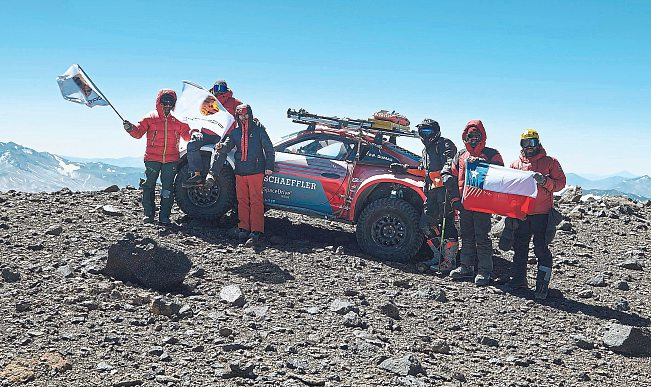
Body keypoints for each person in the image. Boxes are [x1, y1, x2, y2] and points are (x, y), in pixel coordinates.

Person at [507, 129, 566, 299]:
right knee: (519, 248)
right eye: (526, 143)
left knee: (541, 249)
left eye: (532, 143)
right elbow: (509, 189)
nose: (529, 147)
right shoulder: (515, 165)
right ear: (521, 145)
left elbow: (561, 183)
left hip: (542, 214)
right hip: (522, 214)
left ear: (538, 143)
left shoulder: (550, 162)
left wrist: (545, 181)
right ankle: (518, 282)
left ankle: (541, 286)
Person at [444, 120, 504, 286]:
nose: (474, 139)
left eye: (477, 136)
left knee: (482, 238)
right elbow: (451, 174)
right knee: (466, 236)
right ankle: (466, 267)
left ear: (483, 136)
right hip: (464, 204)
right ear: (465, 136)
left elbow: (501, 178)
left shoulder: (492, 154)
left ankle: (485, 271)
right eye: (470, 136)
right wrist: (455, 199)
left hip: (483, 205)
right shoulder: (461, 155)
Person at [207, 104, 275, 246]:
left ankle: (256, 231)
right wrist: (221, 147)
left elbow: (269, 149)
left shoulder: (259, 130)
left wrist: (269, 166)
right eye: (240, 115)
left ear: (250, 114)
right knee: (242, 200)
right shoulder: (235, 133)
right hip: (240, 171)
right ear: (237, 117)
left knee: (256, 201)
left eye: (246, 115)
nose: (243, 118)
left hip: (256, 171)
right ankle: (243, 228)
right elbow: (228, 146)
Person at [123, 89, 191, 225]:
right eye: (164, 101)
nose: (167, 104)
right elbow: (138, 133)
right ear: (159, 101)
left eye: (170, 101)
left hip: (171, 160)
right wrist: (130, 128)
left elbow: (187, 135)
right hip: (152, 159)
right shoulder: (150, 118)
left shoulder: (178, 120)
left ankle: (164, 217)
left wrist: (195, 133)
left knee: (167, 188)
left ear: (174, 104)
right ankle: (149, 214)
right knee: (149, 186)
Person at [413, 119, 458, 271]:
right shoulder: (426, 150)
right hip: (432, 193)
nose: (424, 135)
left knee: (448, 224)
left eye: (427, 132)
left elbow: (450, 160)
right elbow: (422, 169)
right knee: (425, 224)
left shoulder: (444, 144)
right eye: (421, 132)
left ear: (435, 132)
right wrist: (403, 168)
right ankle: (439, 256)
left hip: (446, 190)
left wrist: (447, 173)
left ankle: (450, 261)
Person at [183, 80, 242, 187]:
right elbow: (197, 116)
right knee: (192, 144)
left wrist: (253, 120)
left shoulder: (234, 102)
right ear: (213, 88)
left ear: (226, 89)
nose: (219, 91)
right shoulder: (207, 100)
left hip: (223, 134)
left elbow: (244, 113)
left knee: (219, 149)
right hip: (206, 132)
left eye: (222, 89)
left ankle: (212, 175)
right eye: (217, 88)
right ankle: (196, 174)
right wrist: (195, 130)